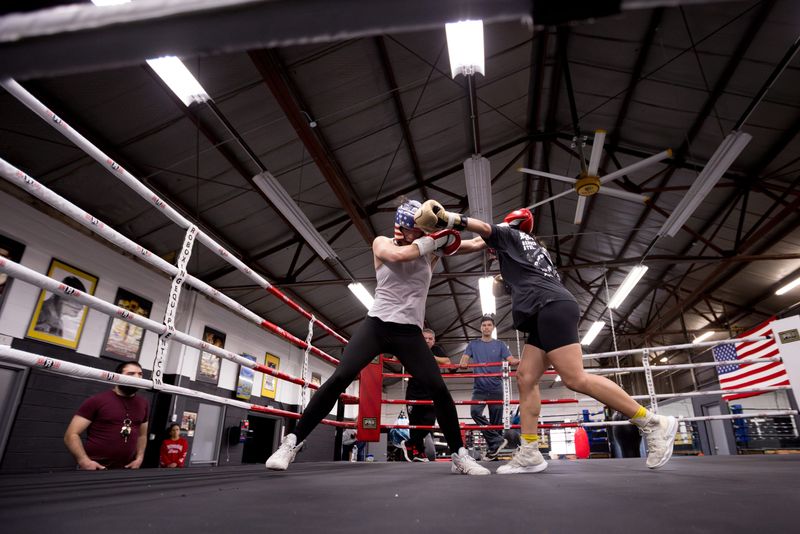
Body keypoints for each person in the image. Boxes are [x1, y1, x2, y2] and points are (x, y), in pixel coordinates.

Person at [414, 200, 678, 473]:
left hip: (550, 308)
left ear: (511, 226)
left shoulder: (511, 235)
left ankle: (652, 422)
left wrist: (447, 219)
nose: (491, 251)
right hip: (545, 311)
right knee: (526, 377)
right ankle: (529, 452)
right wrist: (438, 245)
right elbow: (480, 252)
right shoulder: (530, 250)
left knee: (575, 378)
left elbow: (482, 230)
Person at [265, 199, 490, 475]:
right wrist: (435, 240)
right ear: (402, 228)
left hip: (410, 332)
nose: (419, 234)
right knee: (339, 378)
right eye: (414, 230)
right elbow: (398, 257)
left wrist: (507, 231)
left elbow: (477, 244)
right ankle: (292, 442)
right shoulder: (382, 243)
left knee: (439, 388)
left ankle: (459, 455)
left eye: (422, 230)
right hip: (377, 325)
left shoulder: (432, 250)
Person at [64, 361, 150, 470]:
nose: (137, 377)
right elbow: (71, 434)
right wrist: (84, 461)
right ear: (117, 376)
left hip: (126, 468)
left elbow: (142, 435)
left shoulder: (143, 403)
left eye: (140, 374)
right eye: (131, 374)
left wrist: (139, 458)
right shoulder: (97, 400)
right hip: (95, 467)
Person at [459, 315, 519, 459]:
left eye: (489, 325)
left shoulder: (500, 345)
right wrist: (464, 361)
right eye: (484, 325)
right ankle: (498, 442)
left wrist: (524, 360)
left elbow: (511, 360)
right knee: (475, 413)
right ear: (480, 328)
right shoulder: (473, 344)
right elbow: (464, 359)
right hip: (479, 388)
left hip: (496, 388)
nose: (486, 327)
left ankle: (494, 453)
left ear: (493, 328)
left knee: (496, 422)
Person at [400, 328, 451, 462]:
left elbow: (448, 362)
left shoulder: (437, 350)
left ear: (434, 341)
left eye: (430, 339)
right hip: (414, 391)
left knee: (429, 422)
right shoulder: (413, 348)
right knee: (414, 423)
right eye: (425, 338)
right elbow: (398, 356)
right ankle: (418, 452)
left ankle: (409, 444)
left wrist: (432, 357)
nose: (427, 340)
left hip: (430, 392)